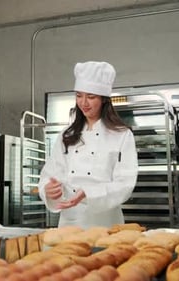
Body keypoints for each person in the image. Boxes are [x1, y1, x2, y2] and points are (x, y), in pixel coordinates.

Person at [38, 61, 138, 229]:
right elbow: (50, 174)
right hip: (69, 222)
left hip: (105, 222)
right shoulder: (66, 135)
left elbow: (125, 183)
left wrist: (90, 193)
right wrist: (48, 189)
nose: (83, 103)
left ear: (104, 100)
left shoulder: (122, 135)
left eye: (91, 97)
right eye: (79, 95)